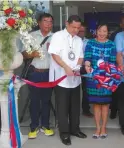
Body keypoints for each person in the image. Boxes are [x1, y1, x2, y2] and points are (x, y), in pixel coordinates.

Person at [48, 15, 87, 146]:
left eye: (78, 28)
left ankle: (75, 129)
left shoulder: (78, 40)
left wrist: (77, 67)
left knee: (75, 106)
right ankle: (64, 133)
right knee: (63, 107)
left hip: (75, 79)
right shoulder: (58, 36)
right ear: (67, 24)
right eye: (73, 27)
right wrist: (66, 67)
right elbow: (54, 54)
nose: (76, 30)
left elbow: (80, 57)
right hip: (61, 78)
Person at [22, 13, 54, 139]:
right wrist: (32, 54)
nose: (48, 24)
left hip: (49, 73)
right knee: (34, 101)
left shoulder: (56, 37)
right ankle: (34, 126)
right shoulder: (31, 36)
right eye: (45, 21)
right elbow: (23, 54)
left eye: (50, 21)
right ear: (39, 23)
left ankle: (45, 125)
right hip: (34, 73)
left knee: (46, 100)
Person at [84, 22, 116, 139]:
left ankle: (104, 128)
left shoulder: (111, 45)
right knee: (96, 104)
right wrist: (87, 66)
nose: (102, 33)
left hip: (107, 77)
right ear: (96, 31)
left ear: (108, 32)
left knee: (105, 104)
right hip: (94, 78)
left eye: (105, 31)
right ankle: (97, 127)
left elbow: (112, 62)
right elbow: (87, 58)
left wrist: (107, 73)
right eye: (100, 31)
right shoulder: (90, 43)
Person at [109, 15, 124, 119]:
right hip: (117, 69)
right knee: (116, 93)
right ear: (121, 25)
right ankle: (113, 111)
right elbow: (115, 52)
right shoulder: (116, 35)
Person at [78, 22, 94, 117]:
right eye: (79, 31)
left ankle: (86, 109)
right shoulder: (71, 41)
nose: (81, 33)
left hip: (85, 68)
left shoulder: (88, 42)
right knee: (73, 90)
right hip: (73, 68)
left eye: (83, 31)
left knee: (85, 89)